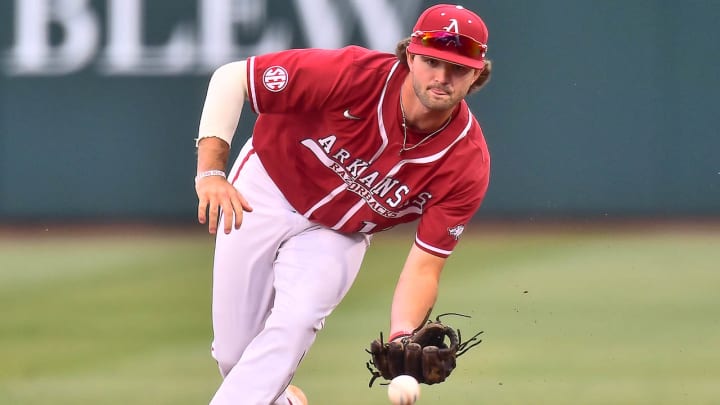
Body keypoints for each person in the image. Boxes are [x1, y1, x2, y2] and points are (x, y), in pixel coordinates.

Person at [193, 3, 492, 404]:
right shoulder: (354, 75)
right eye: (432, 62)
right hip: (265, 188)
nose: (442, 77)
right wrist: (211, 172)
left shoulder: (466, 161)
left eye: (457, 68)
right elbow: (232, 79)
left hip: (339, 233)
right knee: (235, 356)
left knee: (295, 323)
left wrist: (404, 332)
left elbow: (425, 264)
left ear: (477, 74)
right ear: (409, 56)